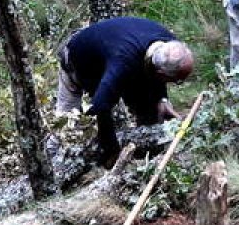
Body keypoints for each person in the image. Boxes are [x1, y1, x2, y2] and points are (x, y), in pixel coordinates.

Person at [55, 16, 194, 157]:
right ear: (161, 72)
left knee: (150, 106)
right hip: (78, 61)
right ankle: (57, 160)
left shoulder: (168, 42)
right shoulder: (123, 63)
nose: (176, 83)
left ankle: (148, 154)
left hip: (114, 54)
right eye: (176, 80)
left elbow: (156, 74)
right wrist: (111, 149)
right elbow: (100, 106)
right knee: (67, 124)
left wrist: (161, 99)